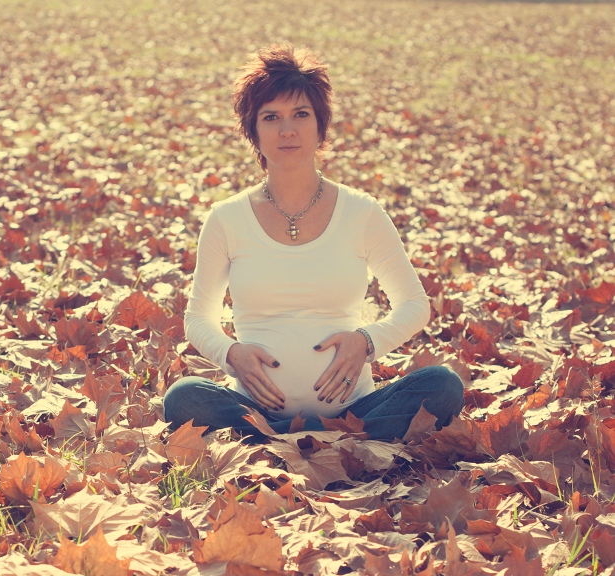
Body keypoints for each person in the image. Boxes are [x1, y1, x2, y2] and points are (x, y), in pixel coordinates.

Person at [163, 44, 464, 442]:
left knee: (442, 385)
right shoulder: (226, 218)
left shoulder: (361, 212)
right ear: (252, 130)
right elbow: (198, 319)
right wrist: (231, 355)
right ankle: (305, 443)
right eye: (271, 117)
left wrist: (366, 342)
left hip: (354, 413)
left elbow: (415, 305)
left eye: (300, 114)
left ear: (321, 125)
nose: (287, 130)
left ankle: (322, 442)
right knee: (183, 398)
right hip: (255, 413)